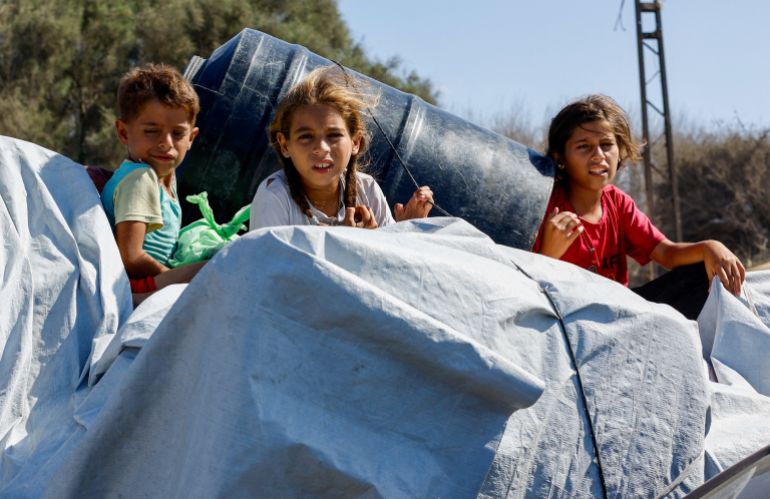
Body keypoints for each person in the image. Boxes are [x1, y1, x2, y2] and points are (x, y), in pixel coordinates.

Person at [533, 94, 744, 318]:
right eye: (584, 146)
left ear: (620, 150)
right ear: (560, 158)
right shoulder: (543, 203)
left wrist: (710, 247)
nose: (599, 156)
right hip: (566, 318)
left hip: (620, 316)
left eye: (606, 145)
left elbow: (666, 253)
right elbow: (521, 289)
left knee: (703, 273)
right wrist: (548, 255)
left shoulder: (618, 202)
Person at [249, 66, 433, 231]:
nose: (321, 148)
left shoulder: (366, 190)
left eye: (334, 136)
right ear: (284, 144)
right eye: (306, 136)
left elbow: (392, 263)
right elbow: (274, 268)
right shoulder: (275, 197)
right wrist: (347, 241)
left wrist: (406, 232)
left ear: (355, 142)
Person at [101, 63, 205, 306]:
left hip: (148, 280)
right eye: (151, 131)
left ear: (191, 138)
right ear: (124, 133)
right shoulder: (140, 178)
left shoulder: (165, 178)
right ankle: (136, 303)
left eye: (178, 134)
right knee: (214, 269)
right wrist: (170, 274)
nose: (166, 143)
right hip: (133, 285)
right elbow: (131, 256)